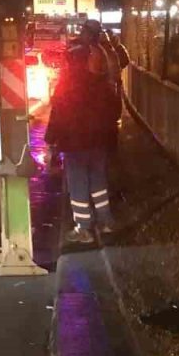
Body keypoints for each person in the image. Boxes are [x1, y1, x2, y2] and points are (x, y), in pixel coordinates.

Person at [46, 20, 120, 245]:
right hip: (99, 142)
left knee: (78, 184)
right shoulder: (101, 83)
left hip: (75, 143)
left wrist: (50, 142)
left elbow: (57, 115)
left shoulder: (66, 87)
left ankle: (84, 228)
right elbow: (115, 110)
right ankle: (106, 221)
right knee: (98, 180)